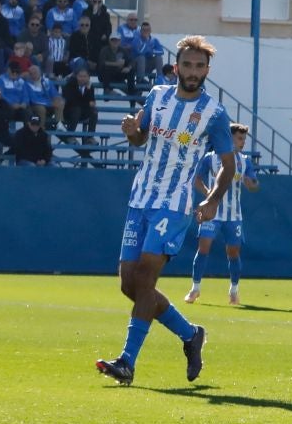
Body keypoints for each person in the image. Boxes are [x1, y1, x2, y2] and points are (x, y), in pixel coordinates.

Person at [93, 37, 234, 386]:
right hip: (140, 197)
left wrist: (213, 198)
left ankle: (127, 361)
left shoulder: (214, 113)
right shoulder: (156, 96)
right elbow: (140, 138)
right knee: (129, 284)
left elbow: (227, 165)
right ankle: (190, 334)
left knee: (145, 279)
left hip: (176, 204)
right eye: (187, 65)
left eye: (200, 67)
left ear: (207, 71)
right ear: (176, 67)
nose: (193, 72)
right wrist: (131, 132)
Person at [186, 124, 259, 306]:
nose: (242, 143)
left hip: (233, 215)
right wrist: (209, 194)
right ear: (229, 137)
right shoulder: (211, 158)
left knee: (233, 252)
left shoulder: (245, 161)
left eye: (244, 139)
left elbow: (255, 184)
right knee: (203, 248)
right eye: (239, 138)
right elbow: (196, 179)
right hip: (213, 213)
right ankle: (195, 289)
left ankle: (234, 291)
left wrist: (251, 184)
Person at [60, 62, 98, 160]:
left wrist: (88, 91)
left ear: (88, 77)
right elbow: (72, 101)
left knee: (94, 111)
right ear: (76, 76)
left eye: (85, 76)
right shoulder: (69, 84)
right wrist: (86, 101)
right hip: (69, 112)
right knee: (76, 109)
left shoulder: (90, 86)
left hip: (82, 110)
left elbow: (92, 102)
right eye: (80, 76)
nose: (82, 78)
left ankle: (90, 137)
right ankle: (70, 134)